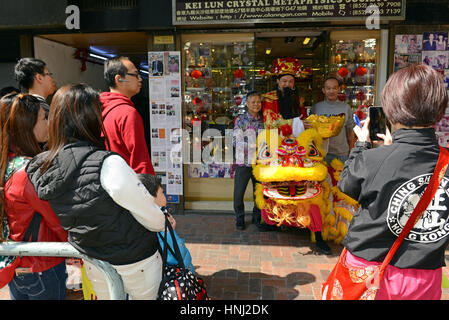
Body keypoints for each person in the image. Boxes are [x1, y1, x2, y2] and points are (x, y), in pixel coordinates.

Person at [25, 83, 165, 300]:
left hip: (93, 259)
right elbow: (154, 220)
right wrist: (161, 218)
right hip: (135, 260)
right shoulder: (107, 163)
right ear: (91, 118)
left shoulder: (42, 165)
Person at [338, 64, 449, 300]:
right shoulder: (446, 161)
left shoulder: (373, 159)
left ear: (391, 107)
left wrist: (361, 146)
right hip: (424, 274)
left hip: (367, 270)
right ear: (439, 106)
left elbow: (347, 184)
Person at [0, 93, 68, 300]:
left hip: (15, 264)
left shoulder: (7, 163)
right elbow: (56, 220)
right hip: (43, 265)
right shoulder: (30, 170)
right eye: (43, 118)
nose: (48, 123)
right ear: (26, 127)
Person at [101, 56, 155, 175]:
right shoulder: (127, 113)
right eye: (135, 74)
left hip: (108, 181)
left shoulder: (99, 108)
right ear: (119, 79)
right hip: (129, 183)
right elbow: (140, 160)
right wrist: (152, 190)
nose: (140, 79)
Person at [137, 173, 196, 274]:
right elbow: (179, 254)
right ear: (151, 198)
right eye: (162, 193)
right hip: (174, 276)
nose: (165, 196)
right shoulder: (160, 223)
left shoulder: (141, 218)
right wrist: (169, 231)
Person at [232, 91, 266, 231]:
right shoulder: (240, 120)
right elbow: (235, 140)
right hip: (243, 162)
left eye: (258, 102)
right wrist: (252, 145)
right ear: (247, 104)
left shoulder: (264, 120)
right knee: (239, 193)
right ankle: (240, 218)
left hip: (260, 163)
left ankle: (257, 217)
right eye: (253, 102)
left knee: (258, 192)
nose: (256, 104)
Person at [311, 77, 355, 164]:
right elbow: (311, 132)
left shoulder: (346, 108)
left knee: (341, 177)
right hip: (321, 153)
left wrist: (351, 149)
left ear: (338, 89)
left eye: (334, 88)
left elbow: (350, 131)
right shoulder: (316, 108)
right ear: (323, 90)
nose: (331, 91)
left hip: (342, 153)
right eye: (328, 88)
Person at [262, 58, 308, 135]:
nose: (287, 84)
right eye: (284, 81)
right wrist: (295, 123)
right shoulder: (269, 98)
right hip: (275, 139)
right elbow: (269, 123)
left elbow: (304, 120)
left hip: (297, 138)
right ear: (278, 81)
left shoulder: (299, 99)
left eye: (291, 81)